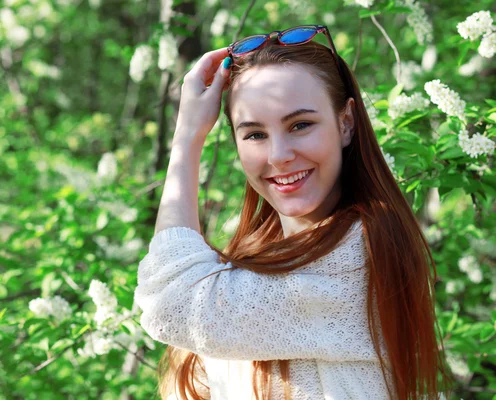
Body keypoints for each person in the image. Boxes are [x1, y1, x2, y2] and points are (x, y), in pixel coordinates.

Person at [134, 25, 453, 400]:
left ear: (346, 122)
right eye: (255, 134)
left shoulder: (361, 251)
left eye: (300, 125)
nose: (279, 156)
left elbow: (170, 305)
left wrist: (188, 136)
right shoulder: (250, 266)